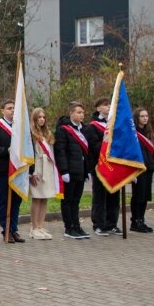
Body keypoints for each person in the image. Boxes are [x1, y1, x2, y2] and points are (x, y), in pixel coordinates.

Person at [0, 99, 25, 243]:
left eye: (14, 108)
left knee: (16, 201)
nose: (12, 110)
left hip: (18, 169)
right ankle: (6, 229)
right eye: (9, 108)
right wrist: (6, 151)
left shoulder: (20, 127)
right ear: (2, 110)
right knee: (4, 201)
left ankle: (14, 229)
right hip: (3, 169)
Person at [54, 102, 90, 239]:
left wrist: (88, 170)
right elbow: (60, 151)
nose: (82, 115)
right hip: (69, 170)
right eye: (79, 112)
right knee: (68, 200)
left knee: (76, 200)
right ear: (71, 114)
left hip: (80, 170)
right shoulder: (63, 130)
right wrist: (64, 171)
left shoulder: (84, 129)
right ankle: (69, 227)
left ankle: (77, 225)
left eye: (83, 112)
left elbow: (87, 152)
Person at [86, 97, 121, 236]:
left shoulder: (114, 124)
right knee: (100, 196)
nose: (108, 107)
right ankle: (99, 224)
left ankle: (112, 223)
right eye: (105, 105)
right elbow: (93, 147)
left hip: (114, 165)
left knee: (114, 195)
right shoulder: (93, 126)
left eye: (109, 105)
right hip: (100, 165)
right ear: (98, 108)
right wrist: (106, 142)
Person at [29, 107, 59, 240]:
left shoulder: (47, 133)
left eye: (43, 117)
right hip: (37, 168)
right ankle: (34, 227)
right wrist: (31, 173)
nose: (41, 119)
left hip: (48, 167)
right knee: (37, 197)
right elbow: (30, 154)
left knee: (44, 197)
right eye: (39, 117)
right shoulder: (31, 133)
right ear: (34, 119)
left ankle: (40, 225)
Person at [130, 107, 154, 233]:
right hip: (138, 169)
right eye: (142, 116)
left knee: (146, 196)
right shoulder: (133, 133)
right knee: (138, 196)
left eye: (146, 116)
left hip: (148, 168)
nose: (145, 118)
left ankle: (141, 219)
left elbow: (153, 152)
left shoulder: (149, 132)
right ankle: (135, 221)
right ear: (136, 118)